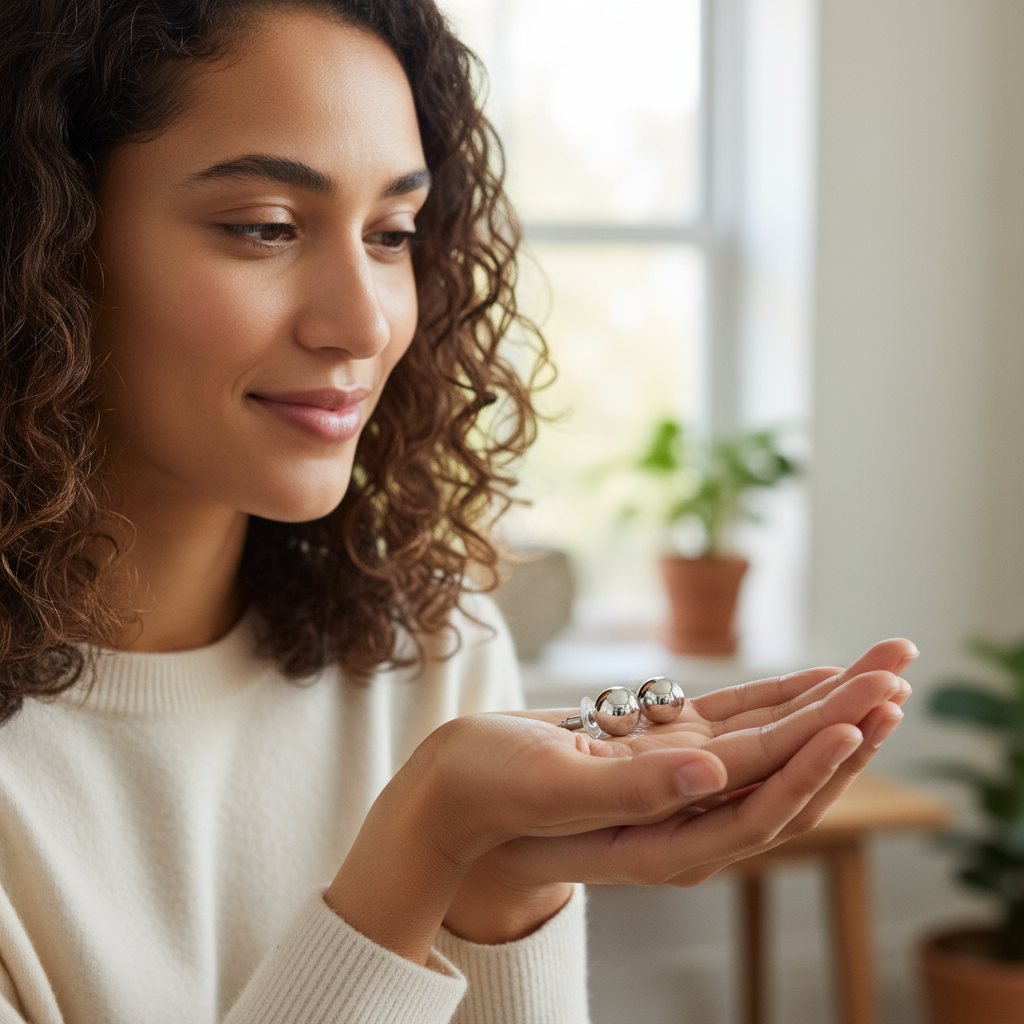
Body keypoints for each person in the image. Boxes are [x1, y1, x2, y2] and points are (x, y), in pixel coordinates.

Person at [0, 1, 915, 1021]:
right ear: (43, 238)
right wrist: (423, 844)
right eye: (265, 228)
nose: (363, 322)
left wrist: (499, 887)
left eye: (392, 234)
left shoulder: (431, 647)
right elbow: (432, 827)